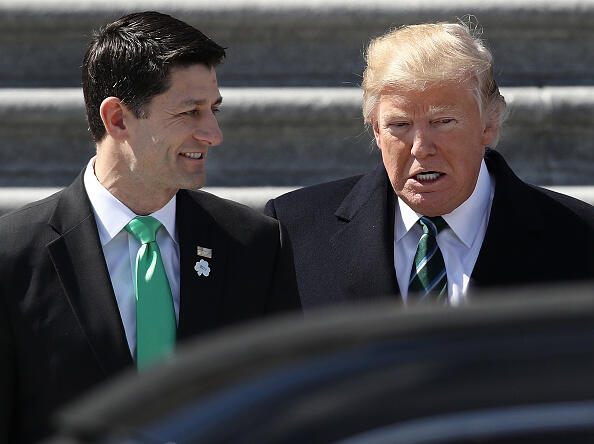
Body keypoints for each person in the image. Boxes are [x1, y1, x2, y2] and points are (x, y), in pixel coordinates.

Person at [0, 11, 299, 443]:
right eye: (189, 112)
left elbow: (282, 412)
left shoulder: (255, 243)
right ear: (118, 119)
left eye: (213, 110)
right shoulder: (13, 257)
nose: (213, 133)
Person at [265, 22, 594, 310]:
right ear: (376, 130)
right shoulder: (293, 231)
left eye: (443, 121)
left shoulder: (579, 237)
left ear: (489, 125)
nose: (422, 148)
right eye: (400, 125)